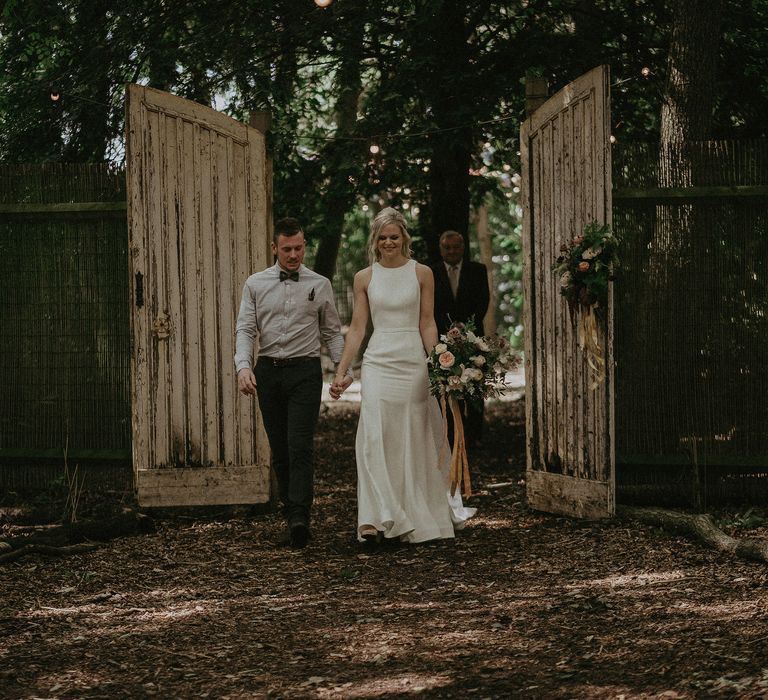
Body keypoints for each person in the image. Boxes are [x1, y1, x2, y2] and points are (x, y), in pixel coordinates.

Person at [330, 208, 475, 544]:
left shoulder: (422, 272)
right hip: (378, 360)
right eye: (382, 238)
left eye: (394, 236)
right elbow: (358, 329)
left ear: (404, 239)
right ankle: (375, 515)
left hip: (412, 360)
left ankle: (414, 511)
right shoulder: (364, 278)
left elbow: (427, 322)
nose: (388, 242)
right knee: (374, 437)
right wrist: (342, 370)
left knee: (411, 434)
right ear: (375, 242)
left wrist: (440, 361)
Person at [235, 217, 352, 549]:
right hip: (269, 372)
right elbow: (245, 329)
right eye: (286, 249)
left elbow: (332, 331)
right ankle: (290, 513)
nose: (293, 255)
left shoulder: (320, 284)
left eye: (298, 248)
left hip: (305, 371)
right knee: (280, 449)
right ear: (274, 248)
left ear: (304, 246)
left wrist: (342, 369)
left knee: (300, 444)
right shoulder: (255, 284)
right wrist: (244, 367)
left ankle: (300, 516)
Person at [430, 230, 490, 447]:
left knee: (474, 385)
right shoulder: (431, 273)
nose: (452, 251)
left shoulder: (478, 270)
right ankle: (452, 434)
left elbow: (483, 301)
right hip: (441, 338)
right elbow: (430, 307)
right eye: (447, 247)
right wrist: (447, 329)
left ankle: (474, 437)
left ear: (463, 247)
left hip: (473, 338)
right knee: (447, 386)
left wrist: (465, 327)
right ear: (440, 249)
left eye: (456, 247)